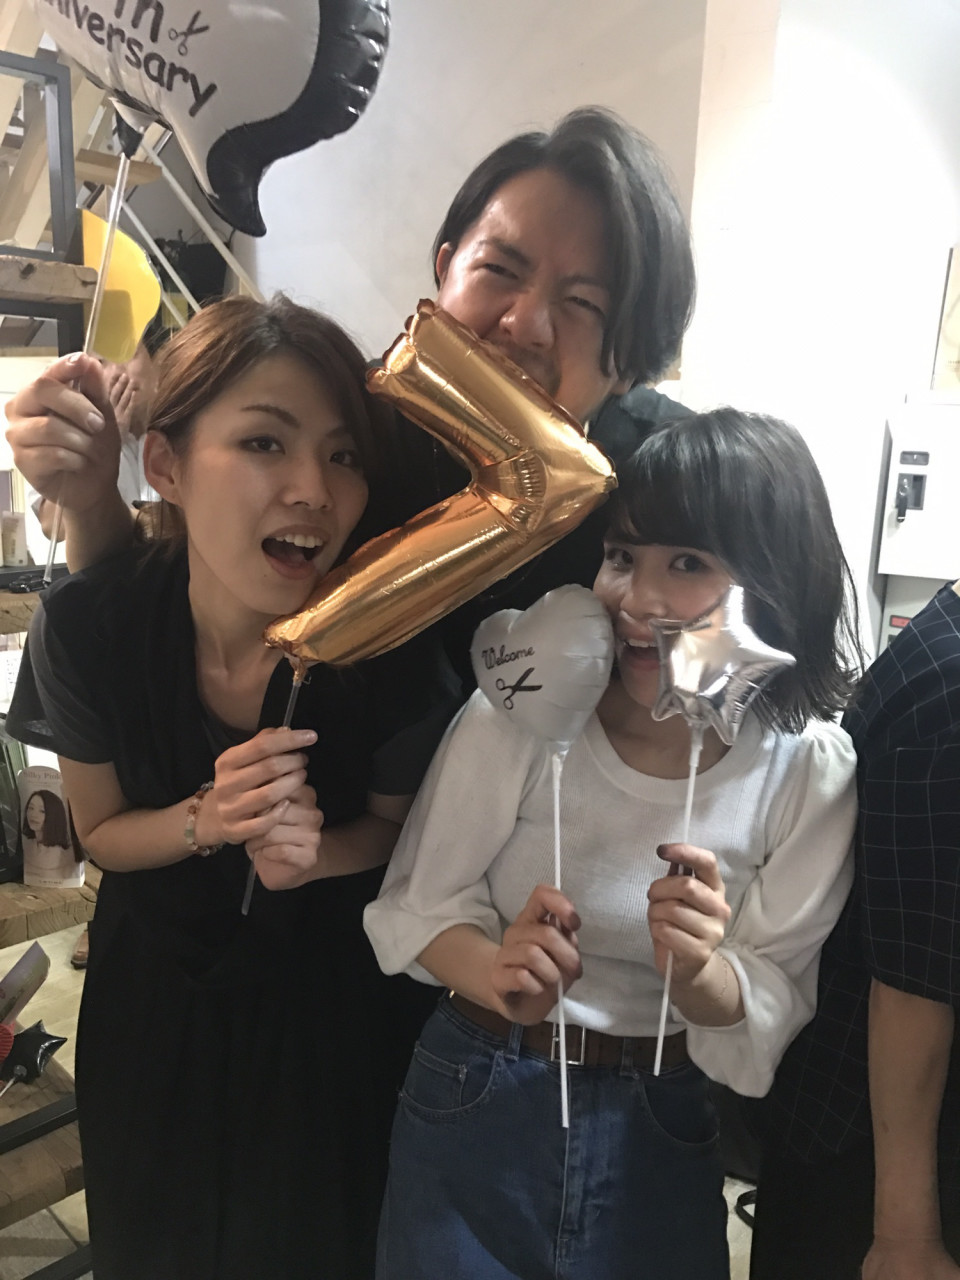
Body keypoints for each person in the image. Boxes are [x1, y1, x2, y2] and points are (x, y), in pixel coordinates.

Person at [6, 294, 458, 1280]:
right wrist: (205, 818)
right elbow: (100, 830)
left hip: (331, 1014)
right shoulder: (91, 626)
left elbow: (396, 830)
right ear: (165, 465)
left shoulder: (388, 651)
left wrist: (318, 853)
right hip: (152, 1005)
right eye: (265, 442)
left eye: (343, 455)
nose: (313, 489)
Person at [364, 408, 862, 1279]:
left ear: (774, 578)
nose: (635, 599)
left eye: (688, 563)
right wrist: (499, 970)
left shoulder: (807, 770)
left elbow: (774, 995)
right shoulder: (527, 711)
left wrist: (702, 973)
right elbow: (415, 906)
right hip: (479, 1091)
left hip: (661, 1121)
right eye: (623, 555)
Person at [2, 107, 696, 646]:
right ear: (444, 270)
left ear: (632, 361)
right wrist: (89, 497)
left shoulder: (680, 485)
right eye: (498, 270)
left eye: (583, 304)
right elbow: (160, 598)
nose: (525, 324)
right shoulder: (341, 423)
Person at [750, 586, 960, 1279]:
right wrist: (905, 1235)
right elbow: (911, 985)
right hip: (870, 1153)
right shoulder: (952, 691)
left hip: (851, 1119)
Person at [20, 787, 77, 883]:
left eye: (42, 811)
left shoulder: (59, 857)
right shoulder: (28, 846)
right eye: (31, 808)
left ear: (54, 815)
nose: (33, 814)